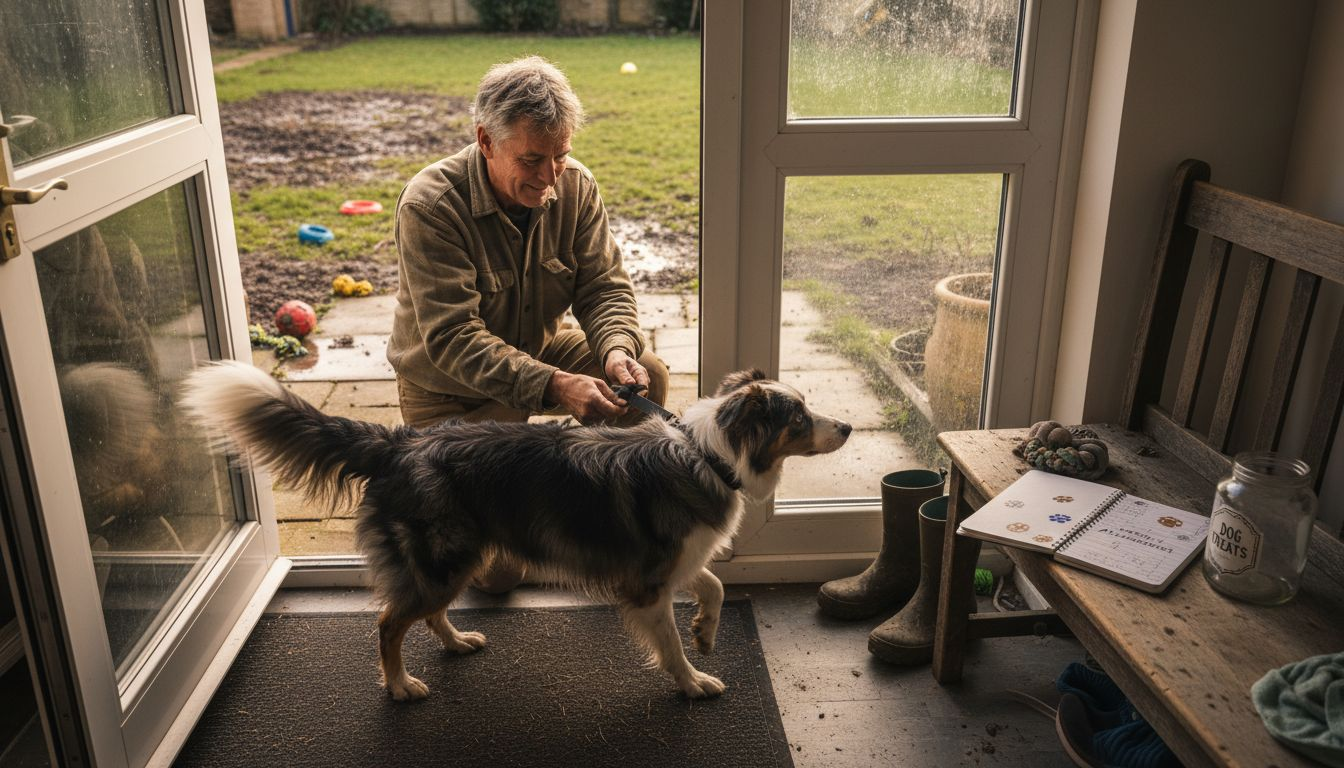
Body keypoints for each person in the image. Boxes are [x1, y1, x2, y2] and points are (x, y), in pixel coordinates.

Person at [387, 55, 670, 591]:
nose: (548, 178)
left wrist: (614, 348)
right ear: (486, 141)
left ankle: (592, 512)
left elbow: (604, 286)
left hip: (538, 354)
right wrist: (557, 386)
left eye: (559, 156)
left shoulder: (576, 186)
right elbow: (453, 340)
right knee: (496, 577)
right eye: (532, 159)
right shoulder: (431, 205)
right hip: (451, 390)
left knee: (645, 377)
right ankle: (541, 474)